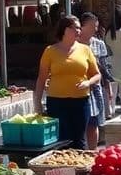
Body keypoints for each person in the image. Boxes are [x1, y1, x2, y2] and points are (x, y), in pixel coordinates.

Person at [34, 15, 101, 149]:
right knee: (60, 140)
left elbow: (97, 75)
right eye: (74, 27)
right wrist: (37, 103)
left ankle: (79, 169)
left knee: (79, 140)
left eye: (79, 28)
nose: (78, 31)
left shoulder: (85, 50)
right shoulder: (50, 51)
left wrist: (88, 83)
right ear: (64, 30)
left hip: (81, 102)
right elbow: (41, 79)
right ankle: (61, 169)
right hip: (57, 102)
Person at [78, 13, 109, 149]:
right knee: (81, 123)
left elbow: (104, 69)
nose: (94, 29)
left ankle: (93, 151)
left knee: (94, 121)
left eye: (95, 26)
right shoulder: (74, 44)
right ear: (82, 26)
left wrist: (108, 87)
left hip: (95, 86)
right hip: (79, 86)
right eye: (91, 26)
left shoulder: (99, 44)